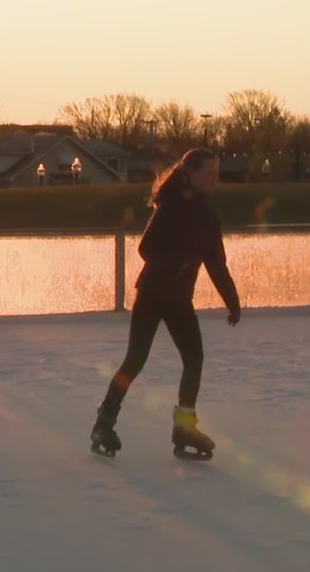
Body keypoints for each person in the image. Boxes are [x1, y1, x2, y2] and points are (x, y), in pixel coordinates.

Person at [90, 147, 241, 460]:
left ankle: (184, 427)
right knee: (135, 360)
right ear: (190, 173)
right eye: (208, 173)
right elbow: (146, 248)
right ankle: (103, 423)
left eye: (216, 173)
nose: (214, 179)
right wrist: (176, 263)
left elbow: (216, 263)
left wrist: (232, 300)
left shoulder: (208, 216)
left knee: (194, 358)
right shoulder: (169, 208)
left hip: (179, 299)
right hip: (153, 295)